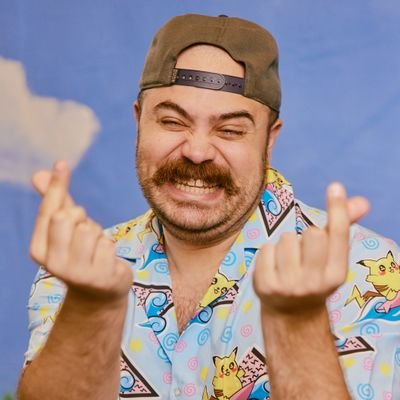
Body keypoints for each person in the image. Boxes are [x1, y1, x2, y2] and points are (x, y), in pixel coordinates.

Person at [18, 13, 400, 400]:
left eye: (230, 130)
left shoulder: (365, 269)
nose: (197, 151)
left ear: (269, 140)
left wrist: (298, 323)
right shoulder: (78, 266)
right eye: (172, 122)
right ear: (139, 121)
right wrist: (89, 306)